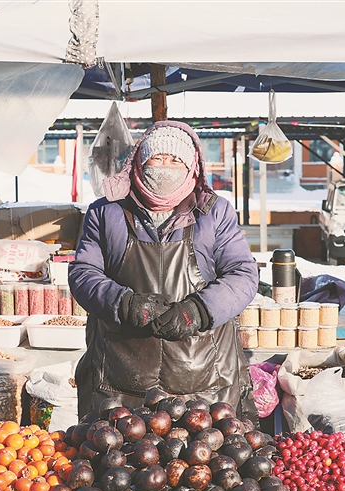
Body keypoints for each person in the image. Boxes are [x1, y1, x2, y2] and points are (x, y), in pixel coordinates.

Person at [68, 120, 259, 420]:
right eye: (157, 158)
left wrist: (198, 311)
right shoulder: (105, 212)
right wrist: (123, 303)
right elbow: (83, 273)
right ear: (140, 162)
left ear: (192, 166)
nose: (165, 167)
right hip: (120, 381)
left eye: (176, 160)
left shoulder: (215, 213)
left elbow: (243, 274)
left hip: (203, 381)